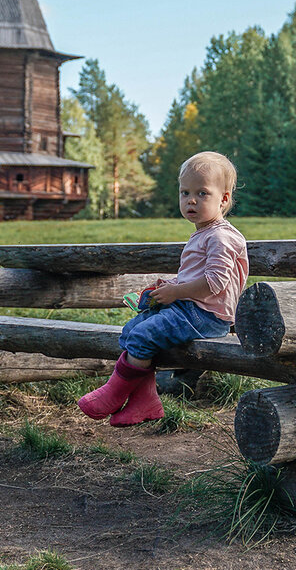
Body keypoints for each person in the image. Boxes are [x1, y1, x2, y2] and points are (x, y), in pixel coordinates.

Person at [77, 151, 249, 427]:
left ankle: (114, 394)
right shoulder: (204, 232)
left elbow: (215, 284)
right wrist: (169, 287)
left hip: (208, 317)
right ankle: (145, 402)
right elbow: (197, 278)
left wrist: (176, 293)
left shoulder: (220, 237)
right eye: (185, 192)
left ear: (224, 199)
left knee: (145, 334)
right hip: (190, 308)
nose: (191, 200)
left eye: (202, 193)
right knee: (131, 330)